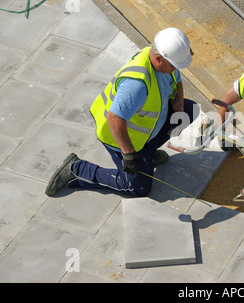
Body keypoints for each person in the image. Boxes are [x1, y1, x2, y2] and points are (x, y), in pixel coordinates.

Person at [45, 27, 197, 197]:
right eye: (173, 66)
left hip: (145, 130)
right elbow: (114, 118)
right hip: (121, 136)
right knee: (138, 189)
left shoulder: (162, 60)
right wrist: (129, 155)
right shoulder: (137, 84)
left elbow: (177, 83)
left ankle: (149, 155)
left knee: (189, 111)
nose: (175, 69)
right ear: (159, 58)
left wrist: (179, 112)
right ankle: (76, 169)